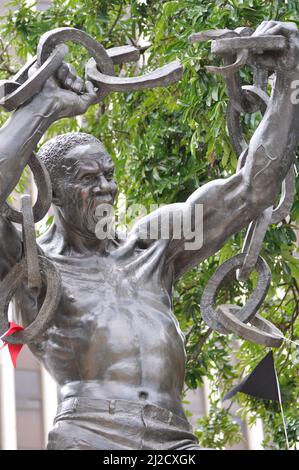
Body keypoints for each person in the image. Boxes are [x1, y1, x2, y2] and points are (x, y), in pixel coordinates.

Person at [0, 21, 298, 450]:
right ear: (55, 191)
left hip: (177, 442)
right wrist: (42, 107)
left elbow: (253, 188)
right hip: (89, 435)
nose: (107, 187)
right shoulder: (35, 266)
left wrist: (291, 77)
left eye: (110, 175)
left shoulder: (153, 246)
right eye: (89, 178)